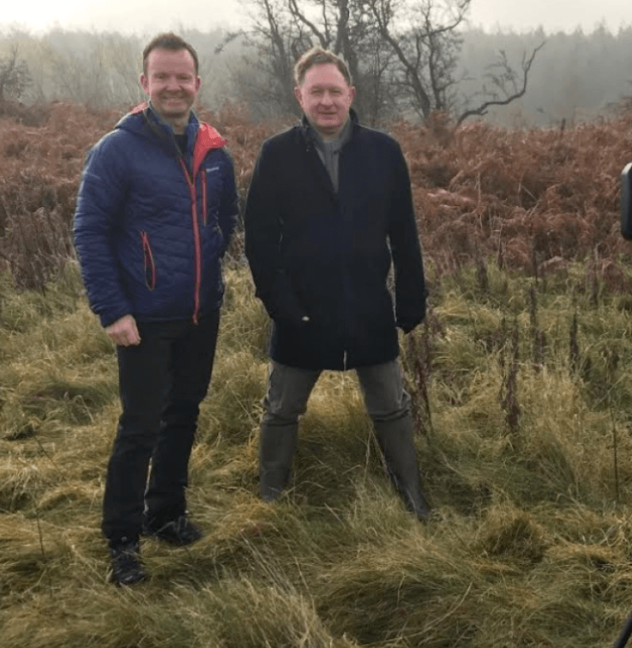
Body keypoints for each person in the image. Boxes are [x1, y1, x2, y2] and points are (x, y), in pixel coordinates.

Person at [74, 32, 238, 585]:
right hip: (142, 317)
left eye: (182, 77)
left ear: (197, 82)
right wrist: (112, 309)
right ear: (144, 84)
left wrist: (210, 275)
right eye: (161, 77)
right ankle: (122, 540)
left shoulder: (214, 150)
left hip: (199, 311)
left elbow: (225, 221)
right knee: (139, 426)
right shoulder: (117, 149)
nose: (173, 86)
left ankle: (166, 514)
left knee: (183, 415)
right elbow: (89, 230)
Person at [244, 46, 429, 519]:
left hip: (369, 308)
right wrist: (284, 308)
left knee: (391, 406)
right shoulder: (277, 154)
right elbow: (260, 243)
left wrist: (410, 301)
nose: (326, 100)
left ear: (350, 93)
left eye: (334, 91)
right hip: (300, 312)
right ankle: (272, 500)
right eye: (316, 92)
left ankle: (412, 500)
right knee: (282, 408)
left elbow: (404, 233)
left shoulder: (383, 152)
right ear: (299, 96)